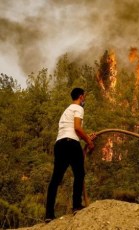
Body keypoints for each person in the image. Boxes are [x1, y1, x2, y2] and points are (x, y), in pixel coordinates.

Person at [45, 88, 95, 222]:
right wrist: (89, 141)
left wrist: (86, 137)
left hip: (60, 144)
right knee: (79, 174)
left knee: (55, 179)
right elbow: (77, 128)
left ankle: (49, 215)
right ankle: (76, 206)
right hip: (71, 143)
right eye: (84, 96)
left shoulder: (66, 111)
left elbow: (70, 129)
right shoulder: (78, 108)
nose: (84, 99)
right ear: (80, 96)